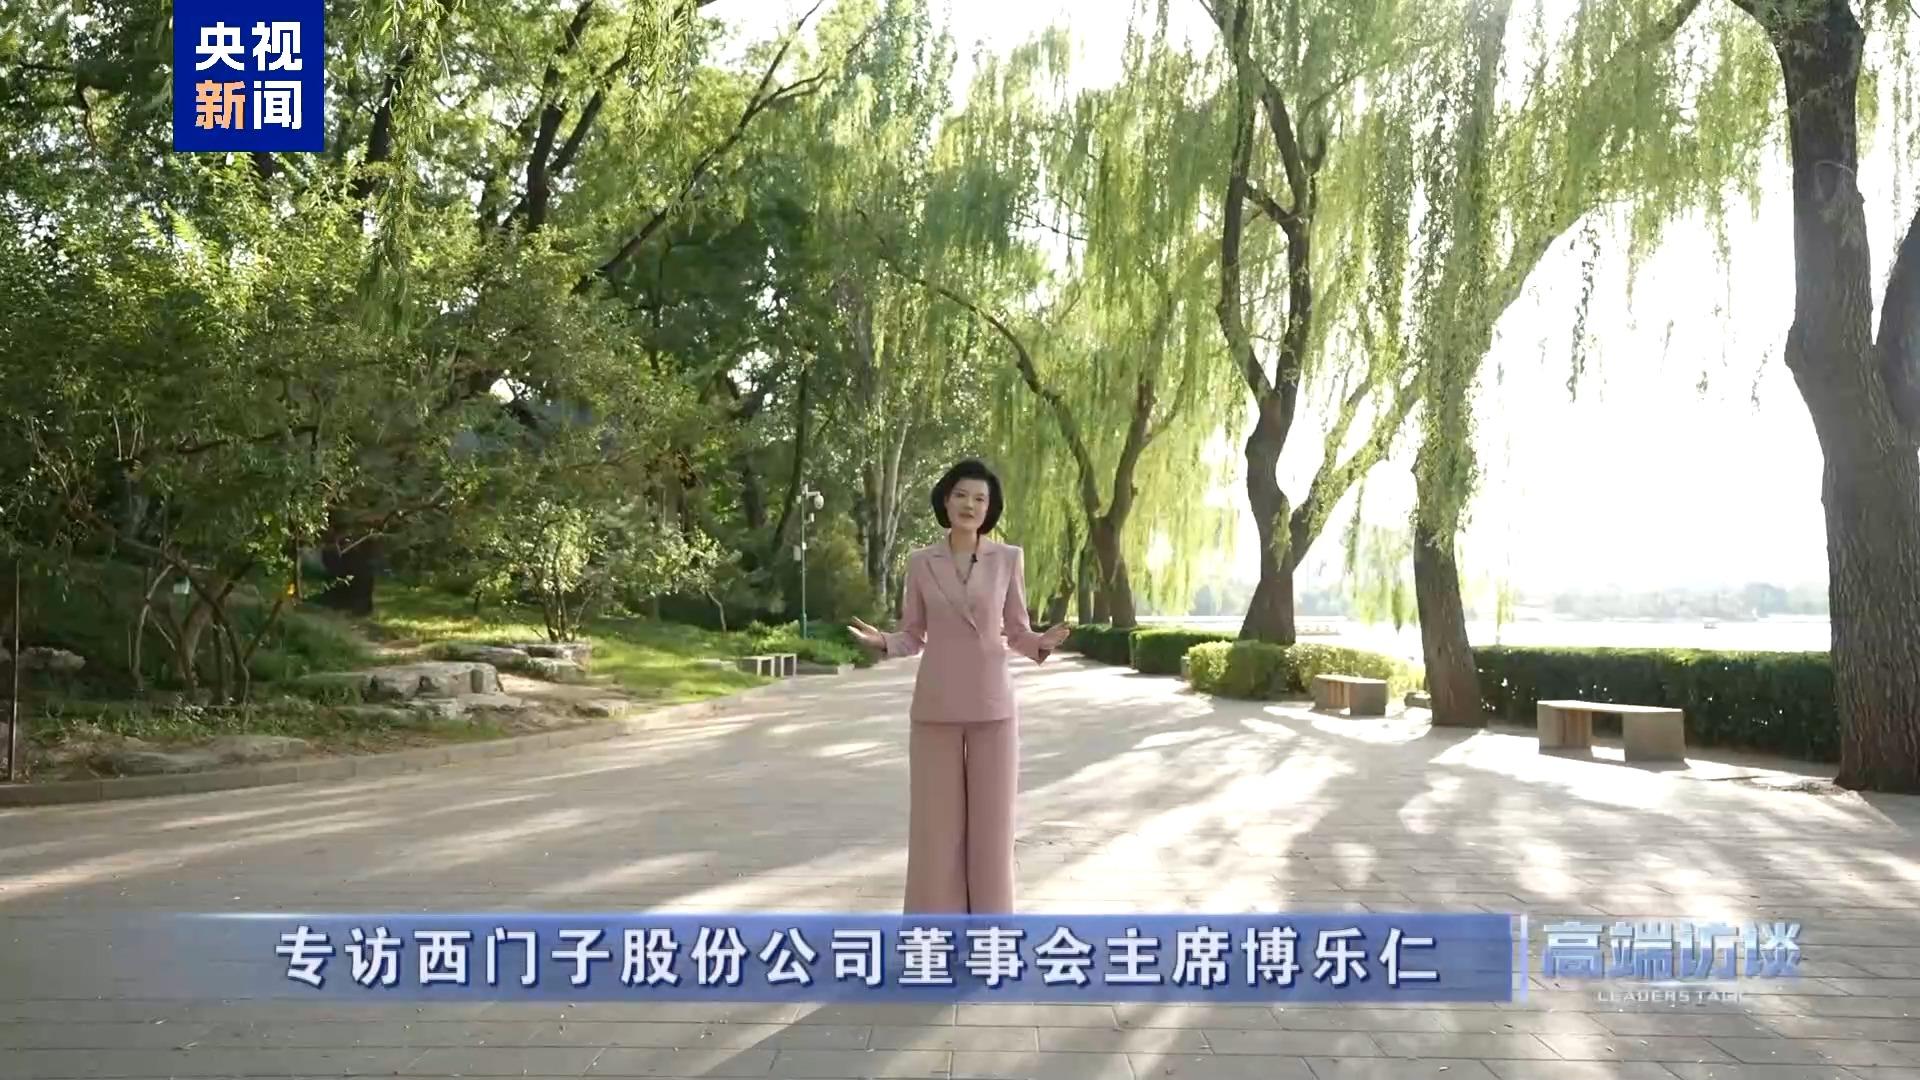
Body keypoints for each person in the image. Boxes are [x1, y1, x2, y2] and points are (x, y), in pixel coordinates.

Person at [848, 459, 1071, 914]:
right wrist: (884, 641)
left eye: (980, 498)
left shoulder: (1008, 558)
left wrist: (1041, 643)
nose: (970, 505)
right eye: (962, 495)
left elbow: (1016, 630)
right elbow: (913, 634)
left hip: (993, 707)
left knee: (992, 829)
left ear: (990, 508)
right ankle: (934, 934)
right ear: (945, 501)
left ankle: (991, 934)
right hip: (936, 707)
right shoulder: (920, 562)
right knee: (935, 830)